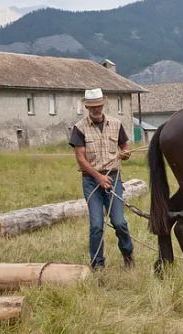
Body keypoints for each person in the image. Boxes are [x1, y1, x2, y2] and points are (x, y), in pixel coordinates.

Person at [69, 88, 134, 270]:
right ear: (87, 107)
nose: (96, 109)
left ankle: (128, 255)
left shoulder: (116, 123)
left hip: (113, 178)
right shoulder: (79, 128)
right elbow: (81, 159)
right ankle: (97, 265)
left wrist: (126, 152)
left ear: (103, 104)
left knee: (119, 222)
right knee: (97, 225)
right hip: (91, 181)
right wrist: (98, 178)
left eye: (98, 105)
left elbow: (124, 143)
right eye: (92, 106)